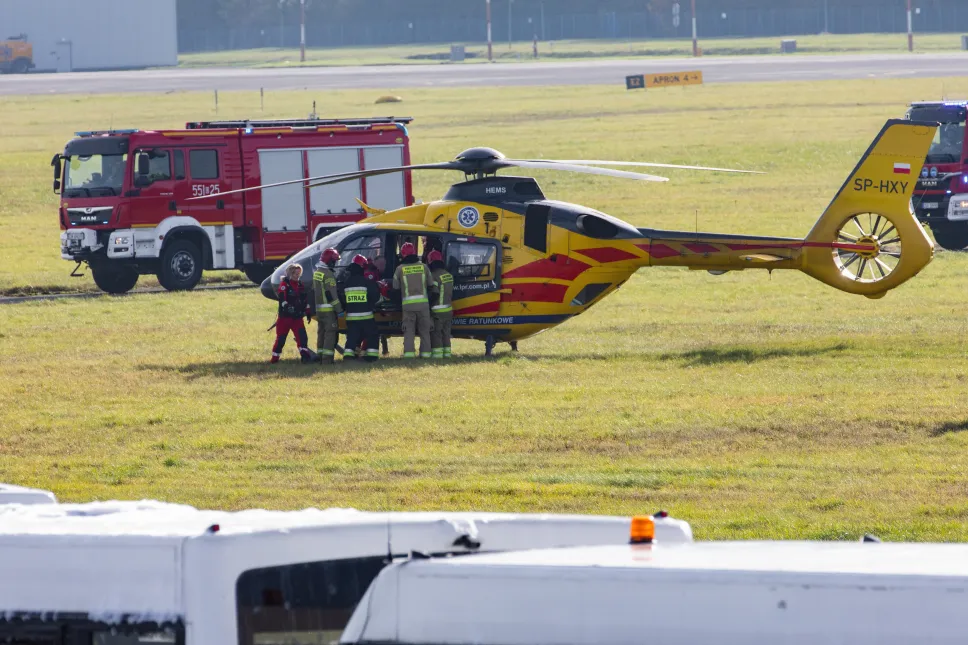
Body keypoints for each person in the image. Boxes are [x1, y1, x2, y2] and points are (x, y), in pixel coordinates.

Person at [392, 241, 434, 359]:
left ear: (403, 254)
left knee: (409, 331)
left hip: (408, 306)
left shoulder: (399, 269)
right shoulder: (424, 267)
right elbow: (431, 285)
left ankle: (409, 355)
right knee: (425, 331)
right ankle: (425, 354)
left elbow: (395, 288)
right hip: (423, 306)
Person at [339, 254, 381, 363]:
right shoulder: (366, 281)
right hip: (366, 317)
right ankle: (371, 356)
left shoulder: (346, 283)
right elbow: (375, 297)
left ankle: (348, 355)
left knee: (352, 337)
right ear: (362, 267)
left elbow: (342, 299)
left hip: (351, 317)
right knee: (372, 335)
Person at [271, 264, 314, 364]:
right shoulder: (284, 285)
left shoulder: (300, 285)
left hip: (297, 318)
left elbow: (304, 300)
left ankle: (305, 357)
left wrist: (308, 312)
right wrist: (287, 307)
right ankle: (274, 359)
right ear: (290, 273)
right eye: (295, 274)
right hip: (285, 318)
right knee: (281, 339)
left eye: (299, 274)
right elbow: (282, 299)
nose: (297, 276)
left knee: (302, 338)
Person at [312, 248, 342, 365]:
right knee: (330, 333)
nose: (335, 263)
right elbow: (332, 294)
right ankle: (327, 360)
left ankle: (320, 356)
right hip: (329, 310)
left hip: (319, 310)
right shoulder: (328, 274)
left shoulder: (317, 272)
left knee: (321, 333)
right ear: (329, 261)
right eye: (334, 261)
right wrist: (339, 309)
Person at [427, 250, 454, 359]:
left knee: (436, 334)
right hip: (448, 310)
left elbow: (434, 293)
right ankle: (447, 355)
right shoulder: (449, 275)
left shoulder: (433, 276)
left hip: (438, 311)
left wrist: (428, 305)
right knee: (446, 333)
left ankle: (437, 356)